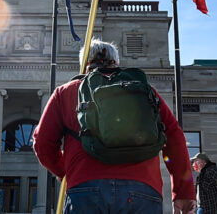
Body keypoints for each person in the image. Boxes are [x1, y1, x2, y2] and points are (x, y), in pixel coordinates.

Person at [34, 39, 196, 214]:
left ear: (84, 64)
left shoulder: (65, 92)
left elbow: (42, 142)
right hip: (143, 191)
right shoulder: (145, 91)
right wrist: (183, 191)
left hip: (86, 189)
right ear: (117, 62)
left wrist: (63, 169)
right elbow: (174, 138)